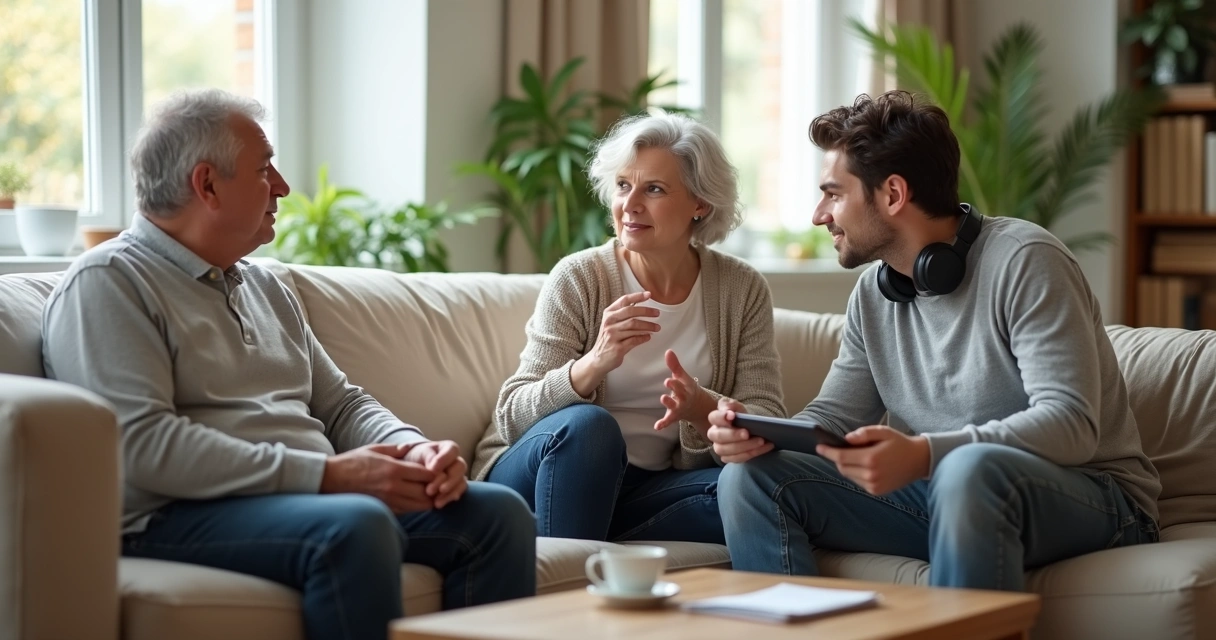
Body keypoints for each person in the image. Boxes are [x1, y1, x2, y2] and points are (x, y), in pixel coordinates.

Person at [41, 89, 536, 639]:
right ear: (207, 185)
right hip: (172, 514)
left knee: (498, 515)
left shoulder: (264, 286)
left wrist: (412, 450)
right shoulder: (109, 282)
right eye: (264, 169)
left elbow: (341, 403)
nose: (282, 186)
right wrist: (327, 476)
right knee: (357, 524)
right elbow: (142, 446)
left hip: (304, 497)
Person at [708, 91, 1161, 591]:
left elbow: (1071, 424)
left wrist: (924, 454)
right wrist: (762, 435)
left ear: (893, 194)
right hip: (948, 493)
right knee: (750, 477)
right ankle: (796, 623)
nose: (819, 215)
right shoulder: (874, 293)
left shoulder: (1025, 259)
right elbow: (834, 418)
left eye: (833, 194)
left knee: (967, 471)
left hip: (1095, 499)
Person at [470, 111, 785, 543]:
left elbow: (768, 418)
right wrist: (595, 363)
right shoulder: (580, 277)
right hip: (540, 471)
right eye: (622, 185)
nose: (629, 204)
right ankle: (572, 571)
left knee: (758, 489)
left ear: (700, 204)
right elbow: (512, 415)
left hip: (646, 489)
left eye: (653, 189)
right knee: (591, 428)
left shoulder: (741, 288)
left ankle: (591, 525)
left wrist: (701, 407)